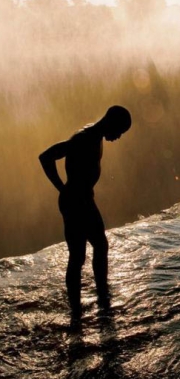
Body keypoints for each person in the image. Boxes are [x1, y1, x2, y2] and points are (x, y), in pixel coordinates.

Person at [39, 105, 132, 319]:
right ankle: (77, 311)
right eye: (118, 132)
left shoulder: (95, 135)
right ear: (110, 122)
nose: (118, 137)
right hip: (75, 202)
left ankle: (101, 296)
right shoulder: (83, 138)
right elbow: (46, 156)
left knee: (100, 245)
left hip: (84, 200)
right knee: (78, 256)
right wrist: (62, 188)